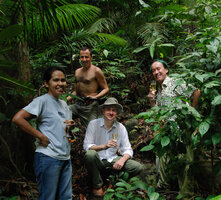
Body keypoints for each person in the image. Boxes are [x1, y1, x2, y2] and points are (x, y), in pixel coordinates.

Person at [12, 66, 73, 200]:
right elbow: (18, 118)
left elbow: (60, 128)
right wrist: (40, 135)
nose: (60, 83)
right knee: (48, 197)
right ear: (46, 83)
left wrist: (70, 128)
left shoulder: (64, 105)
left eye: (63, 80)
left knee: (66, 197)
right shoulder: (42, 101)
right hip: (48, 157)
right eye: (56, 80)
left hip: (65, 158)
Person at [147, 60, 201, 190]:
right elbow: (157, 112)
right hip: (168, 131)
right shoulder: (158, 89)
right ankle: (163, 186)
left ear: (166, 70)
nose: (156, 72)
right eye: (153, 70)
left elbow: (196, 92)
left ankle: (186, 192)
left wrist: (192, 113)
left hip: (182, 128)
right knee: (161, 156)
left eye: (158, 69)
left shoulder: (175, 83)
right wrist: (151, 99)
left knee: (185, 161)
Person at [83, 97, 143, 197]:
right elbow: (87, 146)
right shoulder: (93, 124)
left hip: (113, 160)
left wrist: (122, 160)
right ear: (103, 111)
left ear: (117, 113)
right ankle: (97, 185)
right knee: (90, 154)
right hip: (98, 161)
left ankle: (115, 182)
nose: (111, 112)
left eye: (114, 110)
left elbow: (127, 149)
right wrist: (104, 146)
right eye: (108, 109)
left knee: (137, 167)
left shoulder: (121, 128)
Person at [68, 47, 109, 127]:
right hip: (77, 105)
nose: (84, 59)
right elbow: (76, 91)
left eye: (86, 57)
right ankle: (68, 135)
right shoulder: (77, 72)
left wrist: (95, 97)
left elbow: (106, 88)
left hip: (90, 106)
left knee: (93, 130)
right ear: (79, 58)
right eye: (82, 57)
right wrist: (65, 99)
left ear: (91, 57)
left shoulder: (96, 71)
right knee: (61, 114)